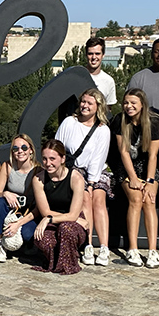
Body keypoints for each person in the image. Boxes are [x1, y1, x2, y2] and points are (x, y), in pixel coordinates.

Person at [54, 88, 111, 266]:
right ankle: (88, 244)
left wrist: (92, 182)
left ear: (98, 106)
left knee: (98, 199)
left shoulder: (103, 130)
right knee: (85, 198)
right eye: (83, 102)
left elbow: (98, 158)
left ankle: (104, 246)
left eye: (90, 103)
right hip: (72, 170)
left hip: (96, 171)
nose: (85, 106)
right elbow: (58, 146)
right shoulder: (69, 122)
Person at [111, 89, 159, 269]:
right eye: (126, 103)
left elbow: (153, 156)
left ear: (142, 104)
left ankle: (152, 250)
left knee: (149, 199)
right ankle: (132, 248)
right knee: (135, 198)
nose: (129, 106)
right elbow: (124, 152)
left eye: (133, 103)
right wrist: (132, 178)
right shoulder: (120, 121)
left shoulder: (154, 121)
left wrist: (149, 182)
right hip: (127, 167)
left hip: (148, 166)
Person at [31, 139, 88, 275]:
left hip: (70, 223)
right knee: (43, 239)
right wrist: (48, 218)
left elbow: (73, 214)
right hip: (55, 219)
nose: (48, 163)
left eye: (52, 159)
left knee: (66, 229)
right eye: (44, 159)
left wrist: (49, 219)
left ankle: (69, 264)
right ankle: (55, 260)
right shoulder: (39, 179)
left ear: (62, 159)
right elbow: (45, 211)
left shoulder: (75, 178)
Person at [0, 134, 40, 262]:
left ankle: (19, 245)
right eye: (15, 148)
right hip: (11, 210)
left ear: (31, 150)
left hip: (29, 213)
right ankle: (1, 243)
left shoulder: (38, 170)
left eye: (24, 147)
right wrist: (6, 193)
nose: (20, 151)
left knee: (27, 234)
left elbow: (40, 205)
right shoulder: (7, 166)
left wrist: (18, 224)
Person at [126, 38, 159, 117]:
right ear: (151, 54)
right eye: (156, 52)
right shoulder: (138, 78)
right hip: (145, 127)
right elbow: (129, 106)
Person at [83, 36, 118, 110]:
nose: (94, 57)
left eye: (97, 53)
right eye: (90, 54)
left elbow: (108, 110)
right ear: (86, 55)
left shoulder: (109, 81)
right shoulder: (77, 77)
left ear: (103, 55)